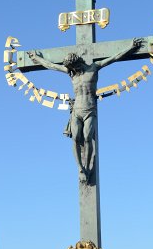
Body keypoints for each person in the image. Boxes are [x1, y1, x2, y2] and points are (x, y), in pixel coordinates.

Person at [28, 38, 142, 185]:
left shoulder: (94, 67)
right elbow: (51, 65)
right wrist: (36, 58)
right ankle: (80, 168)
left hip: (89, 109)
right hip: (77, 110)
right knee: (76, 138)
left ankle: (88, 166)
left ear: (78, 63)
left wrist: (131, 47)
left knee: (88, 138)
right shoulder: (72, 73)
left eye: (73, 67)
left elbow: (114, 58)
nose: (71, 70)